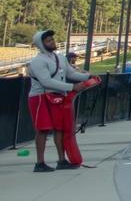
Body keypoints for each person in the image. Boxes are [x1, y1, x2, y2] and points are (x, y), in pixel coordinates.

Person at [25, 29, 95, 172]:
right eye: (48, 40)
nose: (52, 42)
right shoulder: (38, 61)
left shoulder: (60, 58)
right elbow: (46, 82)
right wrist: (72, 86)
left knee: (60, 129)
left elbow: (71, 73)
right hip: (40, 97)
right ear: (41, 44)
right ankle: (40, 163)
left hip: (57, 96)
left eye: (52, 39)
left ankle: (61, 160)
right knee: (42, 129)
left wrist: (88, 77)